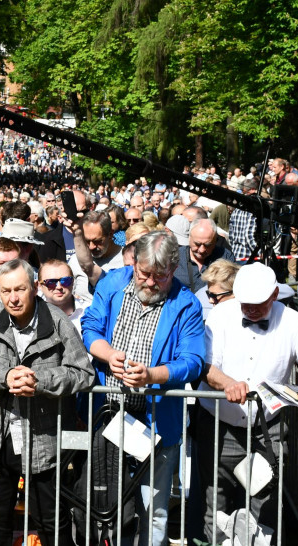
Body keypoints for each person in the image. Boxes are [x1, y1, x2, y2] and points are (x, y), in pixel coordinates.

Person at [80, 230, 205, 546]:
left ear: (173, 271)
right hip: (107, 414)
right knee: (106, 502)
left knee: (154, 508)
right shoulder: (113, 283)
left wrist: (152, 374)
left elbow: (192, 361)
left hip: (157, 421)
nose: (150, 282)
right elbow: (90, 326)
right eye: (144, 273)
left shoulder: (186, 304)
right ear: (133, 262)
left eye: (159, 277)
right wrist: (109, 355)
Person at [196, 263, 298, 543]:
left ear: (274, 295)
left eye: (258, 303)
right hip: (218, 425)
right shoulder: (221, 314)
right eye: (246, 303)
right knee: (216, 507)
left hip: (266, 430)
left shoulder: (293, 321)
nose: (251, 310)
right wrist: (228, 384)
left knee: (265, 510)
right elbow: (207, 367)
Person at [0, 259, 95, 546]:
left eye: (20, 289)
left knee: (50, 519)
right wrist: (6, 375)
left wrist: (40, 382)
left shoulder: (58, 321)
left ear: (35, 288)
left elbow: (84, 374)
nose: (13, 298)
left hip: (44, 440)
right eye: (6, 290)